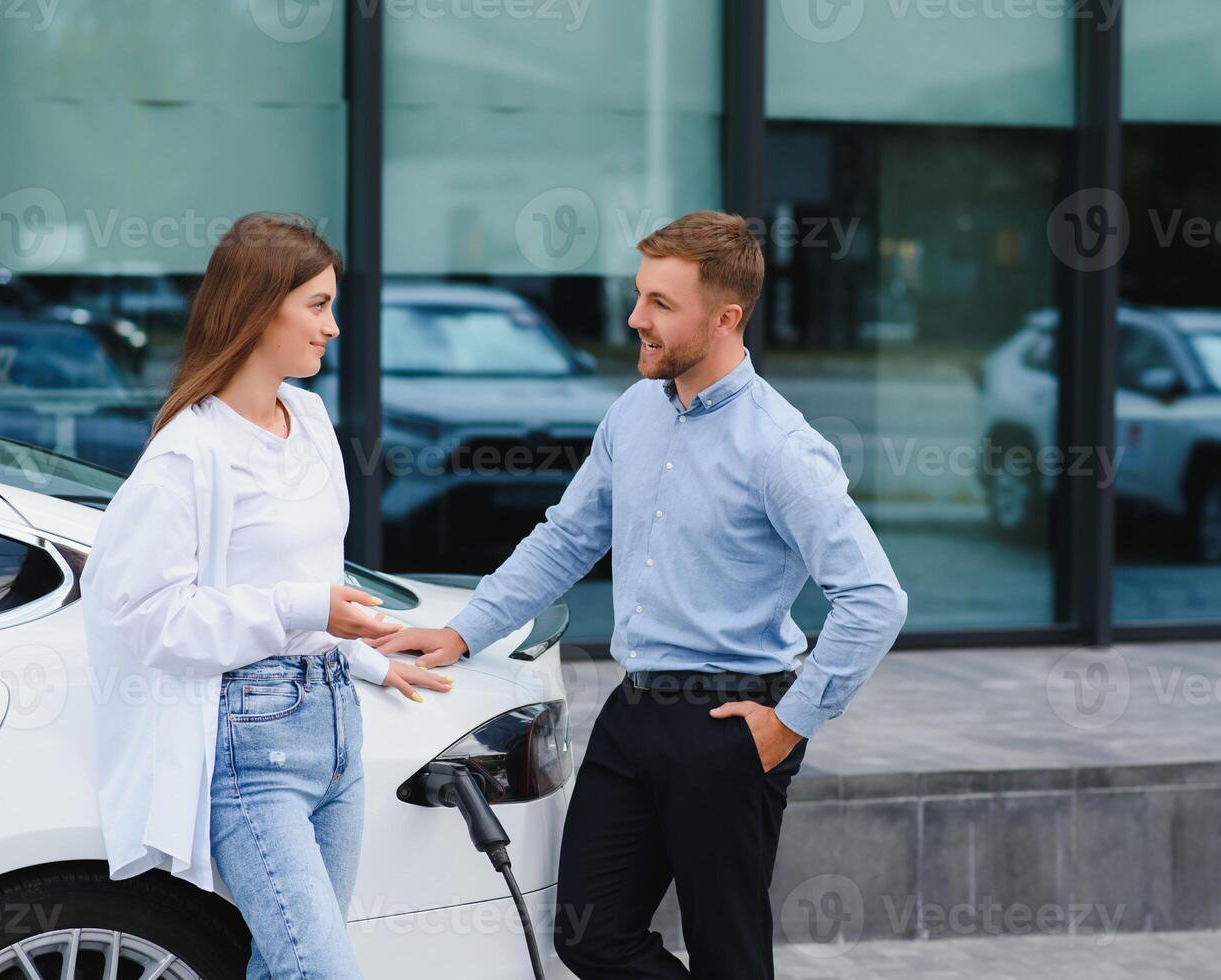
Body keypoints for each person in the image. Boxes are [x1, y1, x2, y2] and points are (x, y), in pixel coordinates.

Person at [373, 210, 909, 978]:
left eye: (661, 303)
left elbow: (874, 598)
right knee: (592, 938)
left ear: (725, 318)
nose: (635, 319)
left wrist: (791, 723)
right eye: (638, 295)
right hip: (634, 716)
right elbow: (567, 537)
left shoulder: (780, 448)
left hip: (731, 721)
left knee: (729, 957)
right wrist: (464, 631)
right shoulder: (631, 414)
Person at [80, 212, 452, 978]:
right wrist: (304, 608)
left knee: (286, 967)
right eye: (317, 306)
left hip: (336, 728)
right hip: (252, 743)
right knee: (320, 970)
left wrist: (368, 661)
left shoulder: (309, 418)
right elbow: (150, 617)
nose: (335, 328)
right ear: (258, 309)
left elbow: (313, 584)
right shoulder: (189, 451)